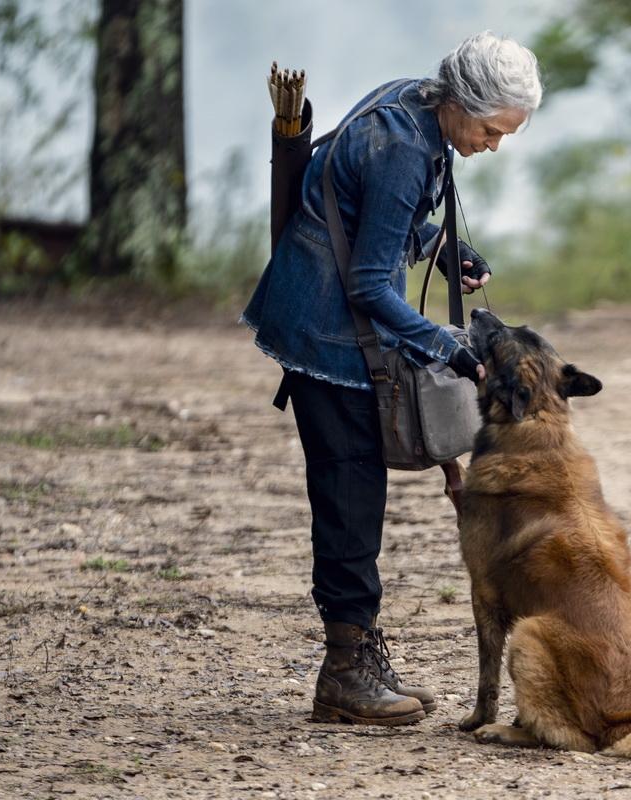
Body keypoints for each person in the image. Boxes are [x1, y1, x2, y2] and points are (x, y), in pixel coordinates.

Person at [241, 32, 542, 726]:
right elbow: (373, 284)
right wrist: (453, 350)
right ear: (462, 104)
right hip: (327, 334)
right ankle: (345, 673)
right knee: (350, 493)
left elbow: (373, 217)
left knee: (356, 490)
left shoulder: (412, 103)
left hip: (331, 320)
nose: (495, 144)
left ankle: (359, 659)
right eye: (493, 130)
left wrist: (442, 249)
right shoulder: (406, 146)